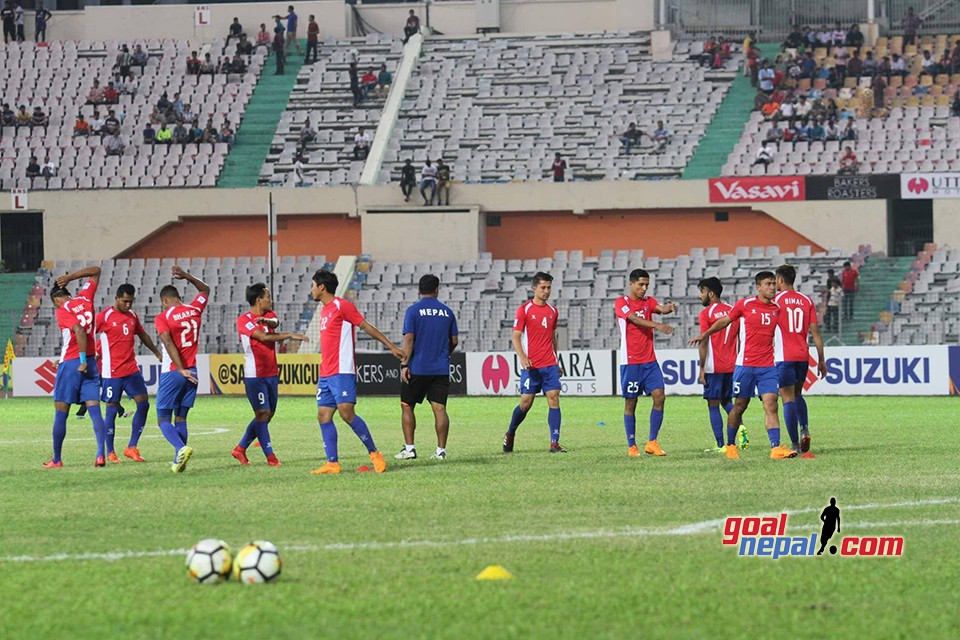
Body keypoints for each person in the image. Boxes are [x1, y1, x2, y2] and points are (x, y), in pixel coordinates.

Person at [690, 271, 797, 460]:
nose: (772, 287)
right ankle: (731, 445)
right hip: (745, 366)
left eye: (774, 283)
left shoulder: (776, 309)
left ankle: (775, 448)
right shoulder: (745, 305)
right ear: (758, 287)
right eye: (768, 284)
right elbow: (724, 321)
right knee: (739, 405)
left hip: (767, 367)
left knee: (771, 404)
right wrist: (704, 335)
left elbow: (787, 332)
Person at [309, 269, 404, 475]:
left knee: (346, 413)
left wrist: (391, 346)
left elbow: (366, 327)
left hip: (342, 371)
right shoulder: (324, 311)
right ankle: (332, 463)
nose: (312, 289)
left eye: (313, 285)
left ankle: (374, 453)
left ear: (322, 287)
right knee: (323, 415)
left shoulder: (342, 306)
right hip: (326, 372)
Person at [231, 283, 307, 467]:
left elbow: (275, 323)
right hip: (254, 375)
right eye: (268, 297)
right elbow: (263, 337)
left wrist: (266, 322)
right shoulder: (244, 320)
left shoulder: (269, 315)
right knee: (262, 413)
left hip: (271, 373)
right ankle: (271, 458)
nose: (270, 300)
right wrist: (289, 335)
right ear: (258, 299)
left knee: (268, 414)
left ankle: (240, 449)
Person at [43, 266, 106, 468]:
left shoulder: (62, 311)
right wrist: (70, 277)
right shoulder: (85, 298)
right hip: (91, 362)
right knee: (94, 410)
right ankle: (100, 455)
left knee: (61, 411)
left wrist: (79, 360)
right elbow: (96, 270)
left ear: (55, 301)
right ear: (69, 293)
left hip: (74, 363)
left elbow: (78, 330)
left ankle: (57, 459)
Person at [94, 284, 164, 464]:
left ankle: (131, 447)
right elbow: (87, 334)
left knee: (144, 404)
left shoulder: (132, 316)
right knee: (111, 410)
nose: (128, 305)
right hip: (112, 373)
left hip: (131, 370)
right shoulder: (104, 317)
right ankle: (110, 452)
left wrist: (157, 352)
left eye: (131, 301)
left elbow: (143, 335)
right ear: (116, 298)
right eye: (125, 301)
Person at [395, 274, 458, 461]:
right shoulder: (447, 312)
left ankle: (410, 449)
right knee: (440, 409)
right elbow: (454, 341)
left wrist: (404, 364)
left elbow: (409, 338)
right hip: (440, 368)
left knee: (407, 406)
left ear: (419, 290)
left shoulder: (413, 310)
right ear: (437, 290)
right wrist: (444, 354)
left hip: (417, 367)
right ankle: (440, 452)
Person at [154, 266, 210, 474]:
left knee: (162, 418)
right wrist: (186, 276)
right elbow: (205, 290)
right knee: (181, 418)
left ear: (165, 300)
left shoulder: (163, 317)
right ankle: (178, 461)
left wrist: (180, 368)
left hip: (174, 372)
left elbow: (167, 341)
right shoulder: (194, 309)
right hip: (193, 372)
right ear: (178, 297)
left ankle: (180, 448)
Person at [503, 272, 566, 454]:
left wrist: (557, 361)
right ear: (534, 288)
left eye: (548, 288)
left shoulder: (553, 311)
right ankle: (511, 432)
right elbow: (516, 336)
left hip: (549, 365)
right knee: (525, 403)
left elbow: (553, 337)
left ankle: (554, 443)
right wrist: (522, 357)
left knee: (554, 398)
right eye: (543, 288)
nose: (546, 291)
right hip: (531, 366)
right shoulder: (524, 310)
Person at [615, 268, 676, 458]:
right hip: (631, 361)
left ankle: (652, 442)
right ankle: (632, 446)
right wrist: (657, 325)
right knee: (631, 402)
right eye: (641, 284)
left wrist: (669, 308)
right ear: (631, 284)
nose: (644, 288)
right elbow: (633, 318)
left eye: (647, 285)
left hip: (649, 360)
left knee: (659, 396)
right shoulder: (622, 302)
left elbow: (660, 309)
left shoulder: (649, 302)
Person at [773, 264, 827, 458]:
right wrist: (821, 360)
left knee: (786, 398)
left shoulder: (775, 301)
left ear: (780, 280)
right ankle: (805, 429)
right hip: (803, 356)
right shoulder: (806, 301)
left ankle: (795, 444)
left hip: (783, 357)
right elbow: (816, 333)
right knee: (798, 394)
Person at [696, 277, 746, 453]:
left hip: (714, 366)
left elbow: (703, 341)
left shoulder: (706, 314)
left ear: (710, 293)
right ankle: (741, 428)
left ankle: (720, 445)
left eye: (702, 292)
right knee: (726, 400)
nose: (700, 296)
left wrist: (702, 368)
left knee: (713, 404)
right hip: (733, 366)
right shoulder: (734, 311)